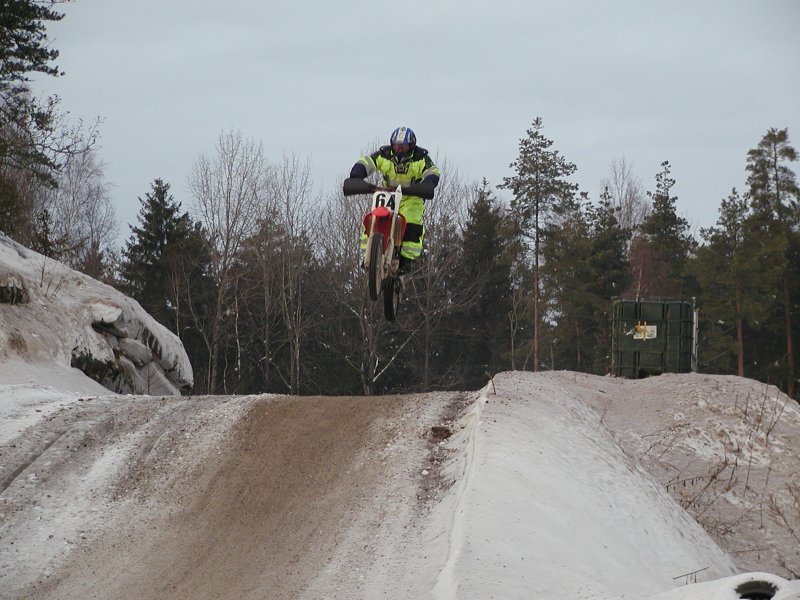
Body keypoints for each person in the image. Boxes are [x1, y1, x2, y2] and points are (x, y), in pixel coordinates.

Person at [344, 126, 441, 272]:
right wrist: (357, 173)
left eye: (403, 147)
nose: (399, 149)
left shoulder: (420, 158)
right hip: (386, 193)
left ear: (411, 146)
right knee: (372, 219)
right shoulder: (384, 155)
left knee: (411, 221)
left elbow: (432, 171)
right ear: (392, 145)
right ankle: (368, 254)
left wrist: (429, 182)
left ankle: (408, 260)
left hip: (411, 196)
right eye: (396, 146)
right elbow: (368, 161)